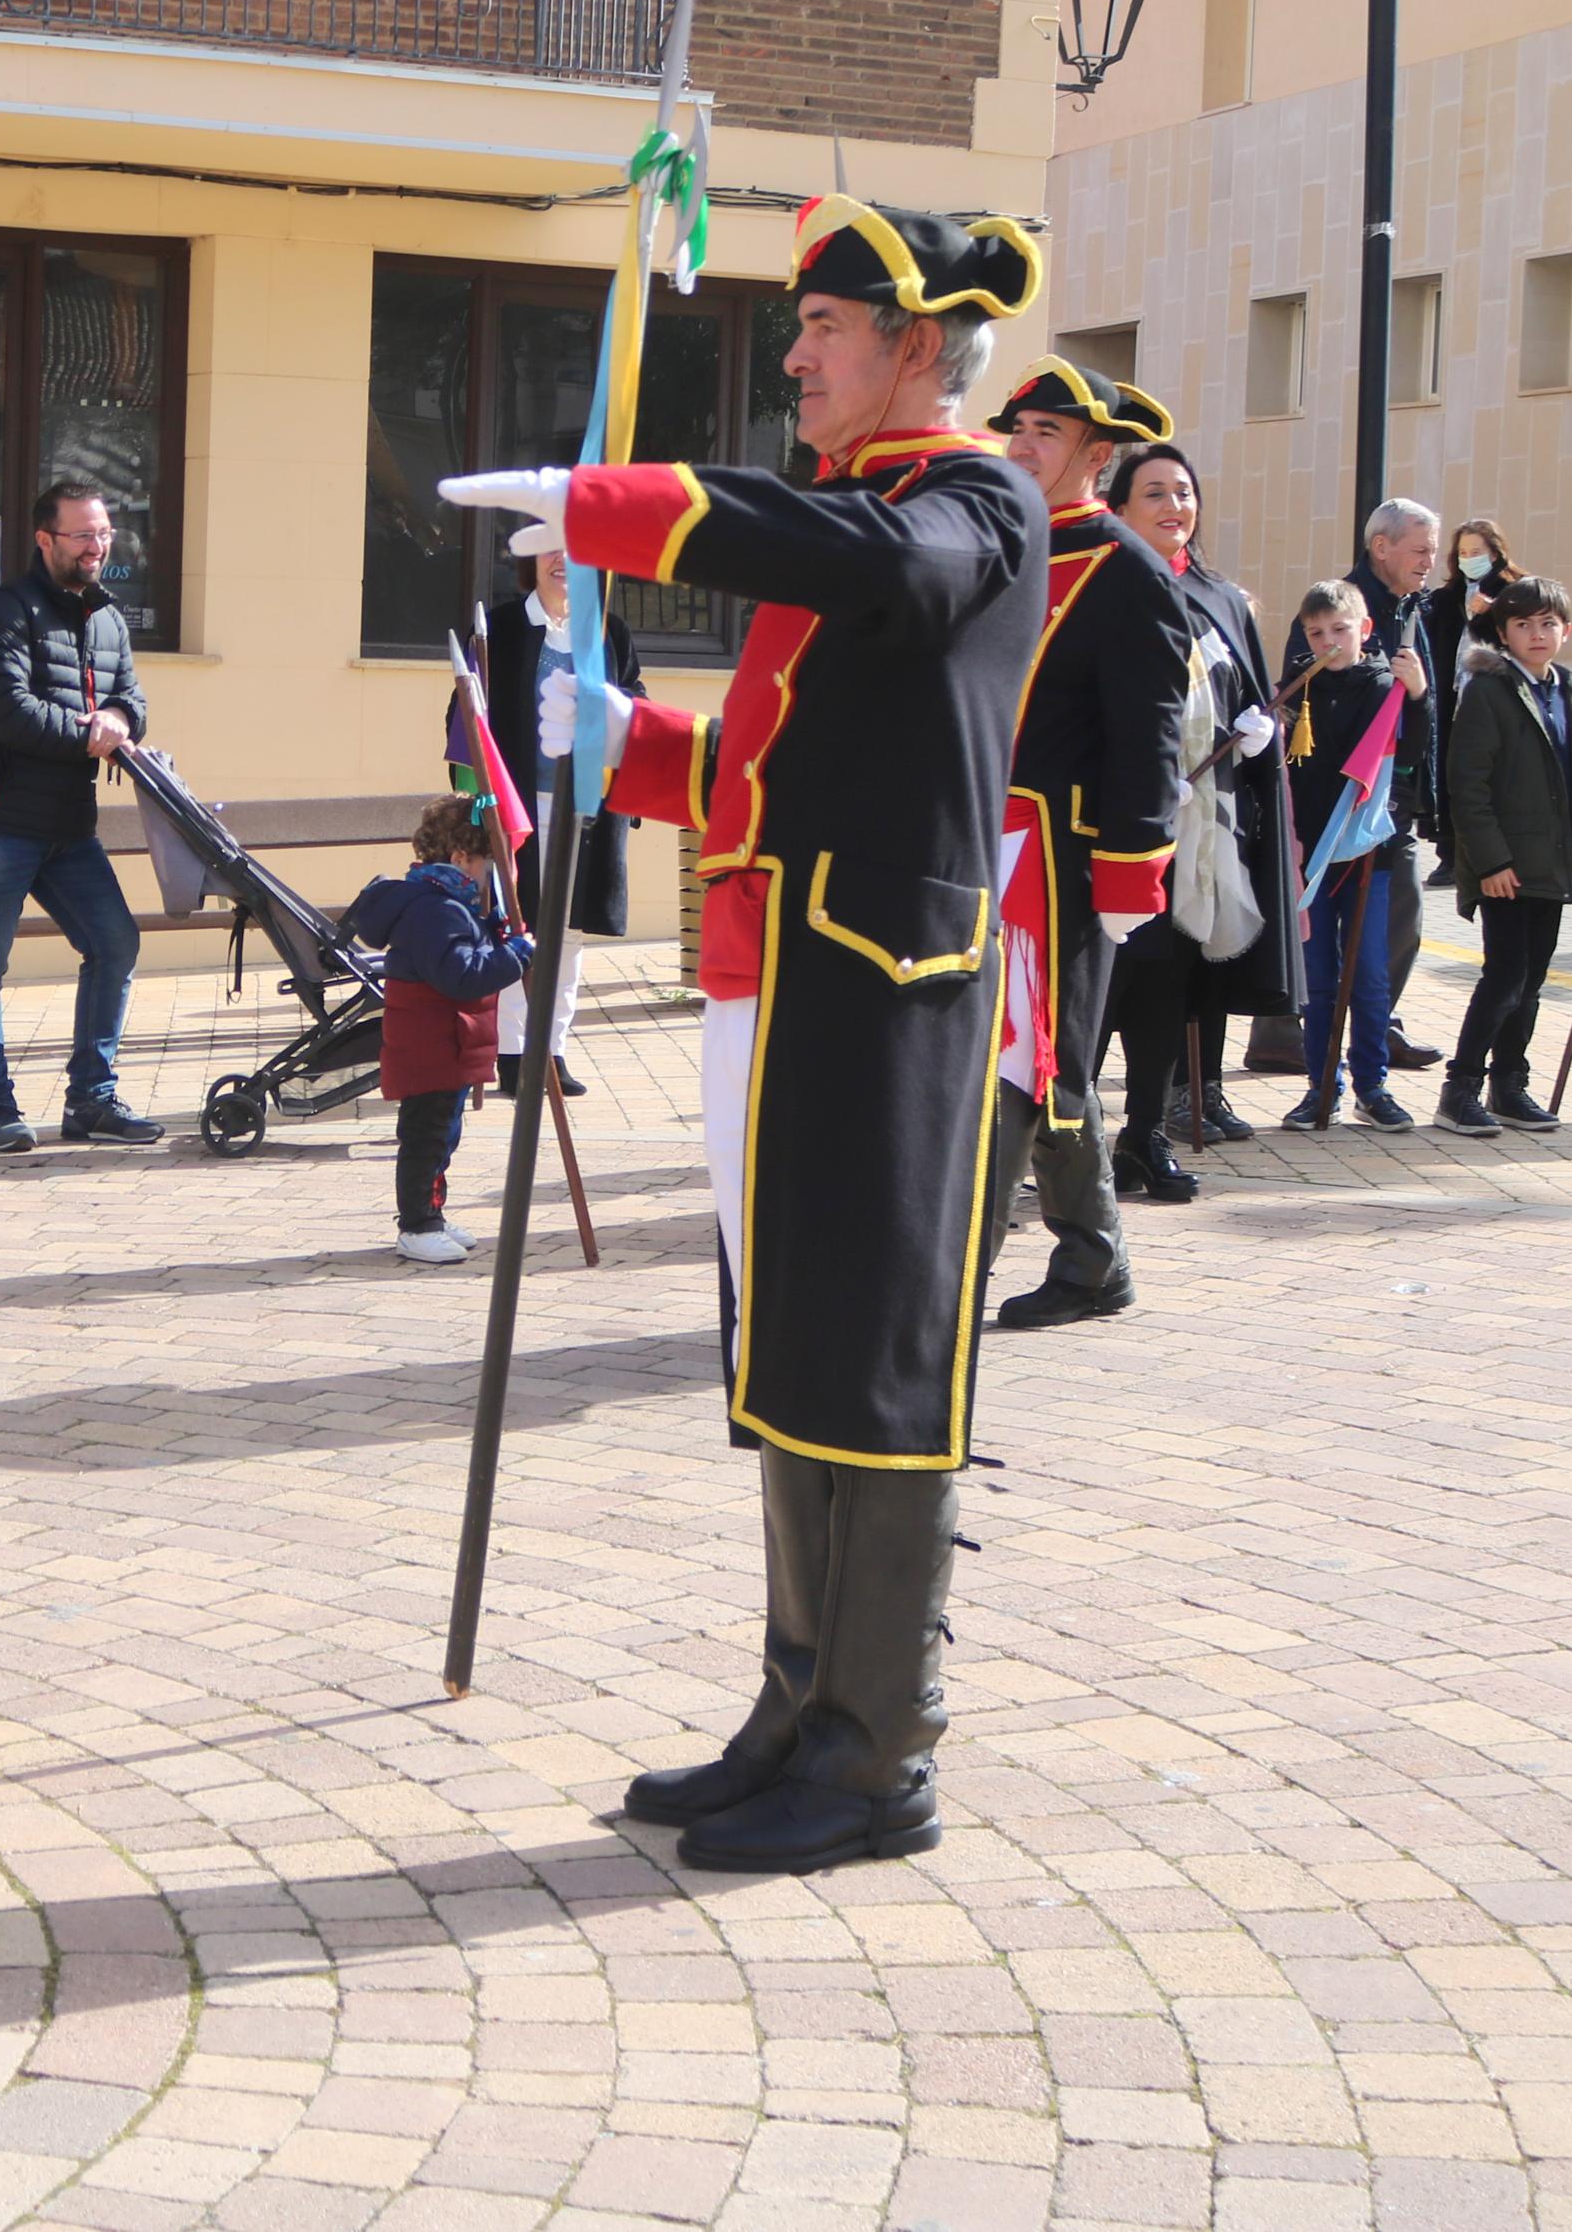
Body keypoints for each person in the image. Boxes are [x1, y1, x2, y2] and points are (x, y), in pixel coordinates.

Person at [443, 192, 1046, 1879]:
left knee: (874, 1368)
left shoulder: (967, 503)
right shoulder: (857, 510)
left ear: (914, 348)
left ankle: (876, 1754)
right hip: (783, 988)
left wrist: (616, 511)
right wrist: (617, 738)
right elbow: (774, 777)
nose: (792, 354)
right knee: (786, 1355)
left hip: (886, 993)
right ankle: (796, 1713)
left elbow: (871, 574)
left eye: (822, 330)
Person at [979, 364, 1192, 1330]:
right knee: (1029, 1057)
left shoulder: (1125, 570)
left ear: (1096, 460)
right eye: (1018, 427)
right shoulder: (1007, 545)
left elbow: (1150, 734)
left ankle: (948, 1266)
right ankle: (1093, 1258)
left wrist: (1128, 866)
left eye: (1045, 434)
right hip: (986, 842)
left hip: (1062, 857)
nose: (1021, 445)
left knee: (1027, 1058)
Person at [1097, 442, 1293, 1201]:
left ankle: (1143, 1135)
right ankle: (1058, 1149)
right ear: (1117, 508)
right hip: (1114, 832)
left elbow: (1245, 692)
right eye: (1153, 492)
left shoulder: (1221, 599)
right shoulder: (1097, 586)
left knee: (1164, 995)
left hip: (1198, 837)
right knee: (1100, 995)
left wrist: (1254, 736)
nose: (1174, 506)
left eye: (1183, 492)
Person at [0, 476, 158, 1153]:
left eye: (104, 534)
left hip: (67, 826)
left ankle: (91, 1101)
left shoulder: (110, 618)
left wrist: (119, 717)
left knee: (115, 941)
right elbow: (7, 710)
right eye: (82, 534)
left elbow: (132, 702)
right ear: (45, 539)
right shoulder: (3, 612)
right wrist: (91, 732)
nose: (96, 546)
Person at [1436, 575, 1572, 1136]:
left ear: (1566, 631)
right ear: (1503, 633)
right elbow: (1468, 785)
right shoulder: (1487, 691)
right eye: (1523, 624)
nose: (1537, 633)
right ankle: (1460, 1089)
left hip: (1554, 861)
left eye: (1548, 623)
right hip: (1505, 865)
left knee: (1530, 981)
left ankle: (1511, 1085)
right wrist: (1492, 862)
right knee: (1503, 977)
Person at [467, 546, 641, 1095]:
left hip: (587, 807)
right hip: (521, 807)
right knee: (521, 927)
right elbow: (466, 717)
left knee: (567, 936)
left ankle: (553, 1051)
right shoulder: (500, 628)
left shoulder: (608, 631)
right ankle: (516, 1055)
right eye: (551, 546)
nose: (563, 559)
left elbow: (636, 700)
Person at [341, 794, 531, 1265]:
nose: (493, 875)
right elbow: (460, 974)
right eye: (488, 864)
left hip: (447, 1041)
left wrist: (496, 932)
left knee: (444, 1132)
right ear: (461, 858)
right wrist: (516, 954)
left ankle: (433, 1213)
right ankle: (417, 1225)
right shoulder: (436, 910)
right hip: (432, 1043)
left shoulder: (451, 904)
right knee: (427, 1135)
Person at [1280, 580, 1412, 1133]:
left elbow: (1406, 760)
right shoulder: (1298, 688)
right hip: (1310, 852)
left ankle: (1372, 1085)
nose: (1330, 641)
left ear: (1365, 629)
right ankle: (1320, 1085)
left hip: (1364, 853)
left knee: (1370, 976)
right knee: (1319, 976)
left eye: (1340, 629)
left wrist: (1421, 699)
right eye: (1317, 633)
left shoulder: (1385, 686)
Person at [1347, 498, 1447, 1069]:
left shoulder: (1413, 608)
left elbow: (1423, 701)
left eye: (1433, 550)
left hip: (1397, 796)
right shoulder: (1343, 604)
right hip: (1348, 792)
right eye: (1419, 549)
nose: (1430, 560)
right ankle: (1284, 1031)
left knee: (1400, 911)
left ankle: (1379, 1022)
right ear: (1380, 547)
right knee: (1326, 920)